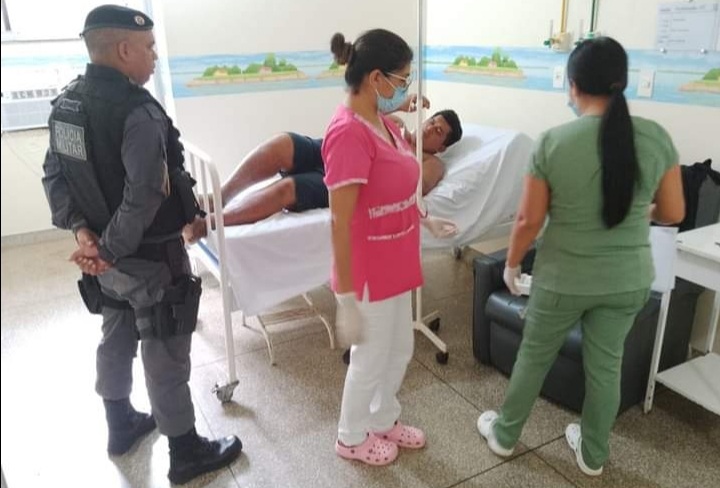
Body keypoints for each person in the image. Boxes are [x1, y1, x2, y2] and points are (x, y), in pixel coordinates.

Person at [41, 5, 242, 485]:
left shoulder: (67, 105)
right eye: (149, 47)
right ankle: (185, 449)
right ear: (124, 49)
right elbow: (146, 193)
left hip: (105, 260)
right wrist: (108, 248)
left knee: (116, 331)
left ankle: (120, 424)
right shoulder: (138, 112)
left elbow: (55, 175)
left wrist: (85, 236)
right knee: (164, 347)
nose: (154, 56)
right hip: (148, 257)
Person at [476, 37, 685, 477]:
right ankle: (593, 456)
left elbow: (528, 220)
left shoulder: (554, 141)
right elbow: (673, 212)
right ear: (622, 82)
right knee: (605, 367)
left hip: (563, 279)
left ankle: (504, 436)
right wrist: (637, 210)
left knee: (534, 356)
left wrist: (511, 265)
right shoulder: (656, 137)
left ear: (573, 85)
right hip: (627, 280)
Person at [323, 29, 459, 466]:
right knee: (370, 356)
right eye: (402, 79)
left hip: (397, 257)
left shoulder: (381, 122)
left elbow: (394, 185)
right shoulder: (348, 133)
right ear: (376, 78)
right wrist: (346, 298)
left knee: (399, 348)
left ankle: (383, 419)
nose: (405, 88)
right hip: (368, 268)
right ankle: (350, 436)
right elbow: (340, 220)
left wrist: (425, 218)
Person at [182, 102, 462, 242]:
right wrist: (396, 110)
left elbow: (416, 187)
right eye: (432, 121)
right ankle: (220, 196)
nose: (429, 129)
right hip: (330, 149)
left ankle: (208, 224)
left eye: (438, 132)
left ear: (442, 147)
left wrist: (403, 157)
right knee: (282, 143)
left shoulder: (431, 164)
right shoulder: (396, 123)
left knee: (288, 189)